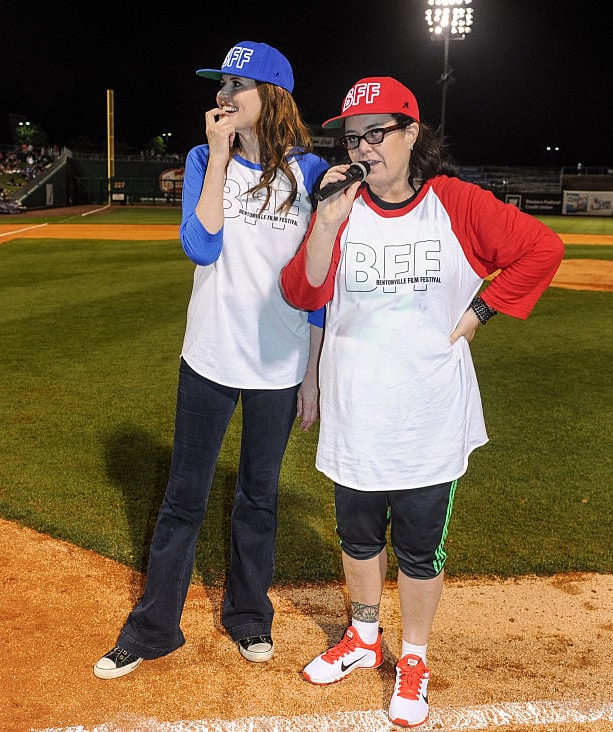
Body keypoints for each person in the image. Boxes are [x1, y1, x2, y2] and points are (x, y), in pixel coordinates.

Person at [279, 77, 564, 727]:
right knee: (356, 540)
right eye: (353, 136)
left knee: (417, 552)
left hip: (428, 418)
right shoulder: (341, 206)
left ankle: (413, 657)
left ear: (412, 135)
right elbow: (304, 290)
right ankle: (363, 636)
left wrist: (480, 312)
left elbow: (539, 250)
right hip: (356, 411)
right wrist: (325, 219)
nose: (364, 147)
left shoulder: (455, 203)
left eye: (378, 132)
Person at [93, 41, 329, 679]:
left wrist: (313, 372)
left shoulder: (310, 175)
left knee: (259, 497)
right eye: (220, 85)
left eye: (237, 86)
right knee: (184, 497)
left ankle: (249, 616)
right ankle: (152, 629)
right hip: (209, 358)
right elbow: (200, 246)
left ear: (271, 96)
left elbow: (318, 285)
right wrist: (221, 157)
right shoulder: (203, 157)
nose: (223, 96)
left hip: (279, 367)